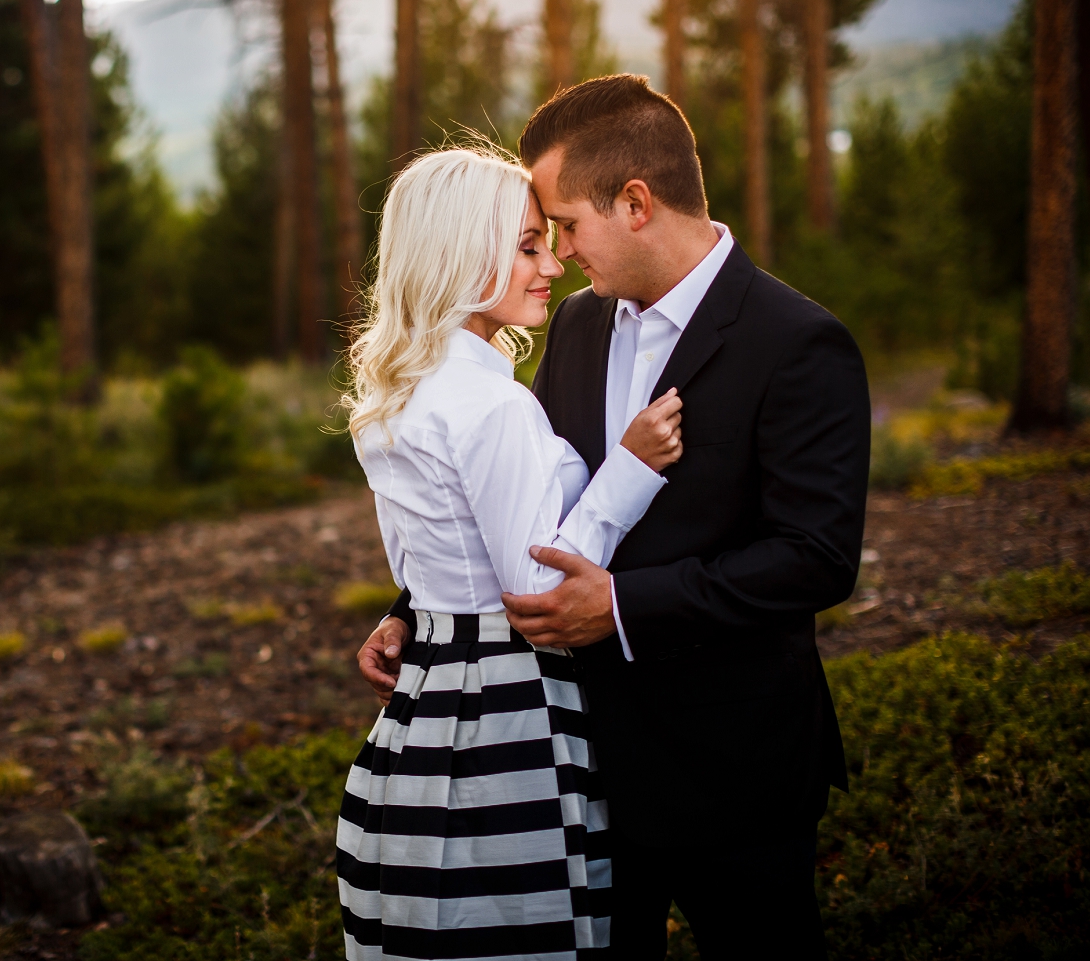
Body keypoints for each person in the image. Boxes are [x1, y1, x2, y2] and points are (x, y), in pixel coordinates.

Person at [359, 75, 871, 959]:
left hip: (730, 764)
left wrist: (625, 605)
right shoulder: (580, 328)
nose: (557, 254)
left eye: (564, 225)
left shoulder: (794, 340)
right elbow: (527, 502)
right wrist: (421, 608)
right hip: (579, 760)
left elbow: (815, 557)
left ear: (635, 202)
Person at [336, 147, 690, 959]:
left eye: (548, 241)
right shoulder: (491, 404)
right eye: (527, 245)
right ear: (461, 255)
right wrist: (627, 473)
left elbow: (429, 560)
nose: (553, 264)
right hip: (507, 713)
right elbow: (535, 588)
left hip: (427, 706)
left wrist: (404, 618)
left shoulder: (402, 391)